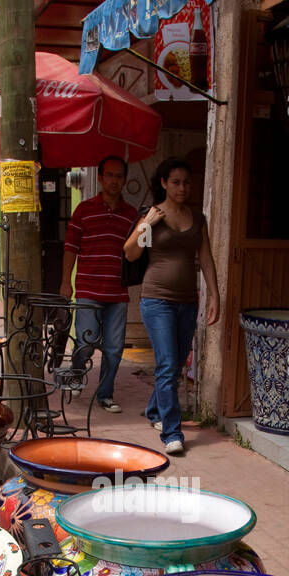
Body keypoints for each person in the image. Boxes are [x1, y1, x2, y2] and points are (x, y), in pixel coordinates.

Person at [123, 157, 220, 455]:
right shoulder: (154, 216)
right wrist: (147, 225)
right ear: (164, 183)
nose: (182, 188)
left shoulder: (196, 218)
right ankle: (171, 432)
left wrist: (215, 295)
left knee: (176, 365)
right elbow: (130, 254)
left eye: (186, 182)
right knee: (166, 364)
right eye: (175, 182)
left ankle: (155, 411)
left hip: (187, 302)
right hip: (156, 300)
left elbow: (205, 258)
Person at [60, 155, 138, 412]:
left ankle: (105, 393)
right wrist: (65, 283)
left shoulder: (132, 215)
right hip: (88, 290)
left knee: (114, 349)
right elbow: (71, 247)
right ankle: (77, 371)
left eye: (119, 176)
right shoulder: (84, 210)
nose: (114, 181)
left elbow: (141, 251)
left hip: (118, 292)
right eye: (110, 175)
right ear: (100, 178)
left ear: (125, 180)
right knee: (85, 343)